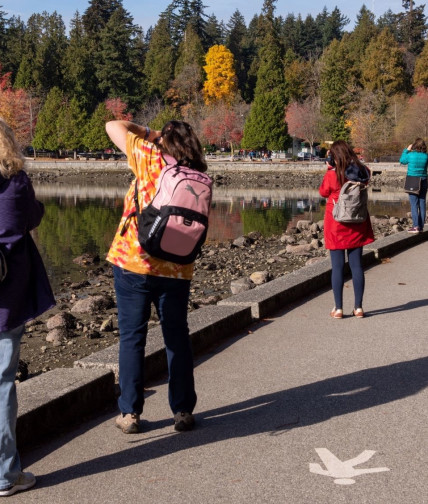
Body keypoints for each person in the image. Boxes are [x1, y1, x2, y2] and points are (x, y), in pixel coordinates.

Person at [105, 120, 207, 434]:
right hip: (177, 266)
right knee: (177, 338)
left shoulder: (149, 155)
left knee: (133, 339)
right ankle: (182, 410)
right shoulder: (199, 173)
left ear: (164, 140)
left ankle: (130, 413)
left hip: (134, 260)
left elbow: (113, 125)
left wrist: (150, 133)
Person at [0, 119, 55, 496]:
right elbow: (32, 217)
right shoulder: (16, 184)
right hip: (6, 297)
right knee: (2, 384)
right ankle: (6, 475)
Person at [319, 140, 374, 319]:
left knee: (337, 267)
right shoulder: (360, 172)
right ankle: (358, 307)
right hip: (357, 221)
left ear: (333, 157)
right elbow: (368, 173)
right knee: (357, 266)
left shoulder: (332, 174)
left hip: (336, 223)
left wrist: (329, 169)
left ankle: (339, 308)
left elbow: (323, 192)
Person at [399, 138, 428, 233]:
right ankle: (421, 226)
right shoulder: (426, 156)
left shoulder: (410, 155)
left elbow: (402, 161)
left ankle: (415, 227)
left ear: (414, 145)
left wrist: (406, 150)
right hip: (424, 179)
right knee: (422, 202)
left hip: (413, 179)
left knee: (414, 204)